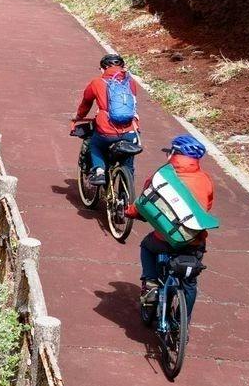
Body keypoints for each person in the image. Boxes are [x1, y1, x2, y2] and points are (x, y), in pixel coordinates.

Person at [129, 134, 216, 319]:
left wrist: (130, 213)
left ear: (175, 153)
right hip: (194, 241)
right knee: (189, 283)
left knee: (147, 245)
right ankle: (182, 323)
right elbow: (206, 207)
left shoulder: (161, 176)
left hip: (165, 239)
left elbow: (144, 202)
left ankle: (151, 283)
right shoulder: (205, 179)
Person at [71, 53, 143, 186]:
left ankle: (99, 171)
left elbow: (86, 102)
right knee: (128, 162)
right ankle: (127, 194)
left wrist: (79, 117)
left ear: (103, 69)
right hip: (130, 131)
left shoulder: (97, 83)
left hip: (106, 130)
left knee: (95, 145)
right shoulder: (130, 83)